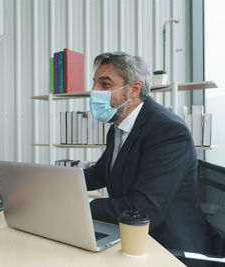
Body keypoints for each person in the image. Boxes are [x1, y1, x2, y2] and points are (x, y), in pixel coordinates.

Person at [85, 52, 209, 266]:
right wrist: (55, 184)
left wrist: (83, 205)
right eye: (94, 83)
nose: (94, 90)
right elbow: (100, 174)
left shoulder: (168, 131)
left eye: (104, 85)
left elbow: (143, 209)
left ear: (133, 89)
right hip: (132, 237)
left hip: (168, 247)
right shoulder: (119, 126)